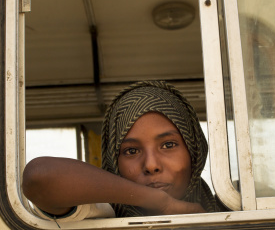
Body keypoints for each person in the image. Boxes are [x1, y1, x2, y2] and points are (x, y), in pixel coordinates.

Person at [22, 80, 220, 221]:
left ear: (194, 150)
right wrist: (162, 203)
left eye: (168, 145)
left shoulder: (229, 209)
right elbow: (39, 177)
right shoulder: (101, 212)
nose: (151, 165)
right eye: (131, 151)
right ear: (113, 161)